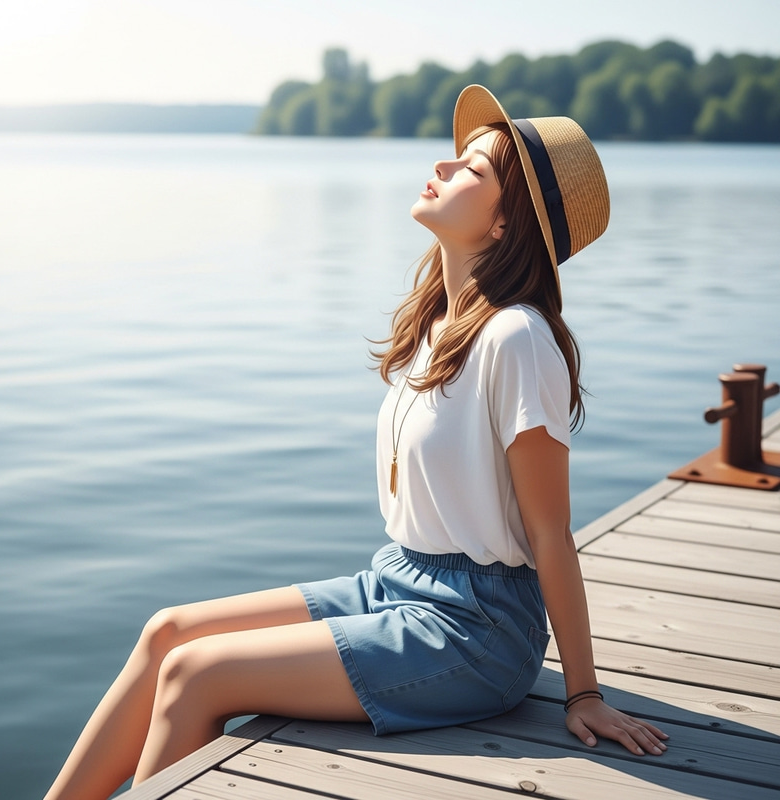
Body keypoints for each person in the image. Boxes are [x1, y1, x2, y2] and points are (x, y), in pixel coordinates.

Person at [44, 84, 668, 800]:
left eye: (473, 170)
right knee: (167, 634)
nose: (441, 166)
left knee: (199, 673)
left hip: (478, 629)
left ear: (506, 225)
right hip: (398, 579)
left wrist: (582, 693)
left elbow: (551, 532)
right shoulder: (440, 322)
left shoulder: (517, 338)